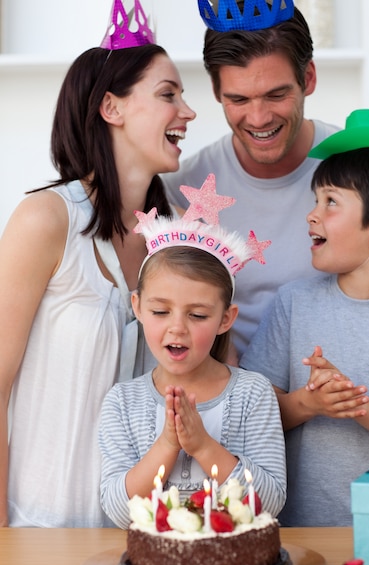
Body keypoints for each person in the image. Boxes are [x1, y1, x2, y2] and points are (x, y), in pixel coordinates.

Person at [0, 9, 196, 527]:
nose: (189, 111)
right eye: (168, 94)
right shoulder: (47, 220)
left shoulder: (178, 232)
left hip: (144, 538)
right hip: (36, 530)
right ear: (112, 106)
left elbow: (212, 373)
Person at [240, 108, 369, 527]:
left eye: (331, 201)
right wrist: (309, 403)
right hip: (300, 534)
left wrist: (354, 404)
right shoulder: (293, 304)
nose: (312, 214)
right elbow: (249, 416)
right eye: (315, 200)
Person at [98, 188, 286, 530]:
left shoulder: (253, 394)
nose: (177, 328)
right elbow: (119, 511)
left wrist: (201, 443)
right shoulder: (123, 403)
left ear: (225, 319)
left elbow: (270, 502)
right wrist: (169, 444)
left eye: (197, 315)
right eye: (160, 311)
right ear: (138, 307)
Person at [162, 1, 339, 357]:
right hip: (229, 404)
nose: (258, 119)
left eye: (276, 95)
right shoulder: (179, 189)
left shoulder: (362, 169)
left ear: (308, 79)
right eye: (238, 99)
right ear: (216, 93)